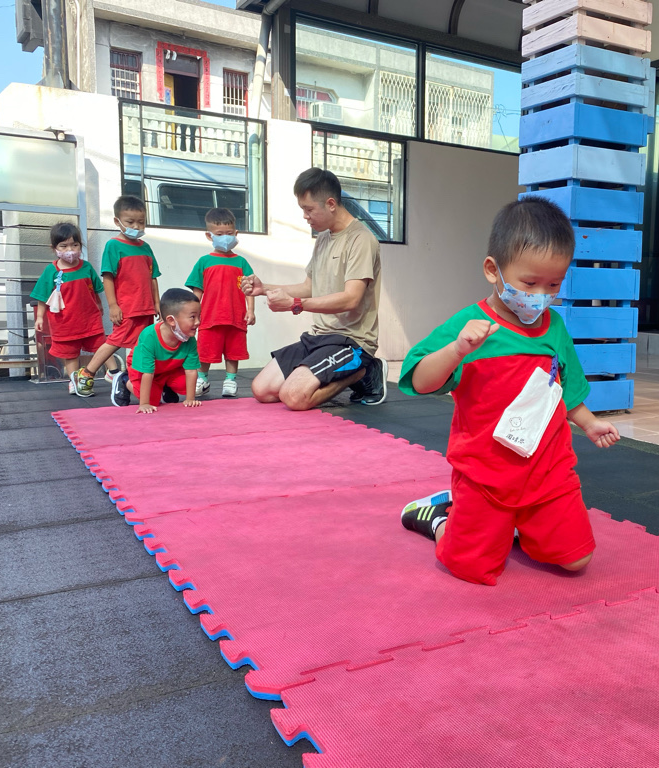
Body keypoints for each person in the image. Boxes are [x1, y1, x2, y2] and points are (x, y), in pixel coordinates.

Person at [398, 197, 621, 586]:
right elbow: (419, 380)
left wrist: (589, 423)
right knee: (470, 568)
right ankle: (439, 518)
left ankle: (517, 525)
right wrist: (456, 351)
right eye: (530, 283)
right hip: (486, 473)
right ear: (493, 270)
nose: (541, 294)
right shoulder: (469, 325)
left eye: (554, 284)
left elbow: (566, 387)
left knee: (577, 559)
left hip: (547, 471)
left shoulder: (554, 327)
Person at [241, 167, 386, 411]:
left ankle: (364, 370)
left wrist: (295, 305)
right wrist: (263, 288)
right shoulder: (323, 239)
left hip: (351, 341)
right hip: (319, 337)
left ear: (331, 204)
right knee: (262, 390)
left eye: (309, 209)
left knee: (294, 397)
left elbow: (351, 299)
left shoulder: (361, 239)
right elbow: (309, 287)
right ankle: (335, 372)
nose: (305, 217)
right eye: (303, 210)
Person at [71, 195, 161, 397]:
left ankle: (132, 378)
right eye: (130, 222)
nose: (136, 226)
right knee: (115, 341)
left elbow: (152, 277)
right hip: (127, 308)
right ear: (117, 221)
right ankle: (87, 373)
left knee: (141, 344)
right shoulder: (113, 246)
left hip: (146, 307)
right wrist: (113, 305)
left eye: (141, 222)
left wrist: (157, 302)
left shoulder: (146, 247)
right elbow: (108, 277)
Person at [30, 222, 121, 392]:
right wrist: (40, 317)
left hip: (89, 318)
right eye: (63, 246)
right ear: (54, 248)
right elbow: (42, 297)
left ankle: (113, 372)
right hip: (64, 322)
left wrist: (100, 306)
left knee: (101, 343)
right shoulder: (51, 271)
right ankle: (74, 380)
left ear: (80, 245)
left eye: (74, 245)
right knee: (70, 352)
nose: (70, 250)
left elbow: (95, 290)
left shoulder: (86, 267)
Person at [185, 207, 256, 399]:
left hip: (236, 317)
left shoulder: (241, 262)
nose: (225, 237)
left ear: (236, 233)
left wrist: (251, 310)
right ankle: (202, 379)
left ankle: (230, 381)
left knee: (234, 351)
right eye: (219, 234)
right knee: (205, 351)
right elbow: (197, 292)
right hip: (209, 318)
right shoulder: (204, 262)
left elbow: (250, 289)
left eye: (229, 233)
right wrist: (192, 315)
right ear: (209, 236)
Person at [109, 288, 202, 414]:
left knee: (189, 385)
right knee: (152, 400)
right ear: (171, 320)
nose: (198, 322)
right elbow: (147, 372)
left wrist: (190, 399)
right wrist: (144, 404)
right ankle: (124, 380)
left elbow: (191, 370)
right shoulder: (149, 337)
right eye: (192, 317)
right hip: (143, 370)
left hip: (168, 369)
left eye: (199, 316)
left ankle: (164, 385)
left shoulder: (189, 339)